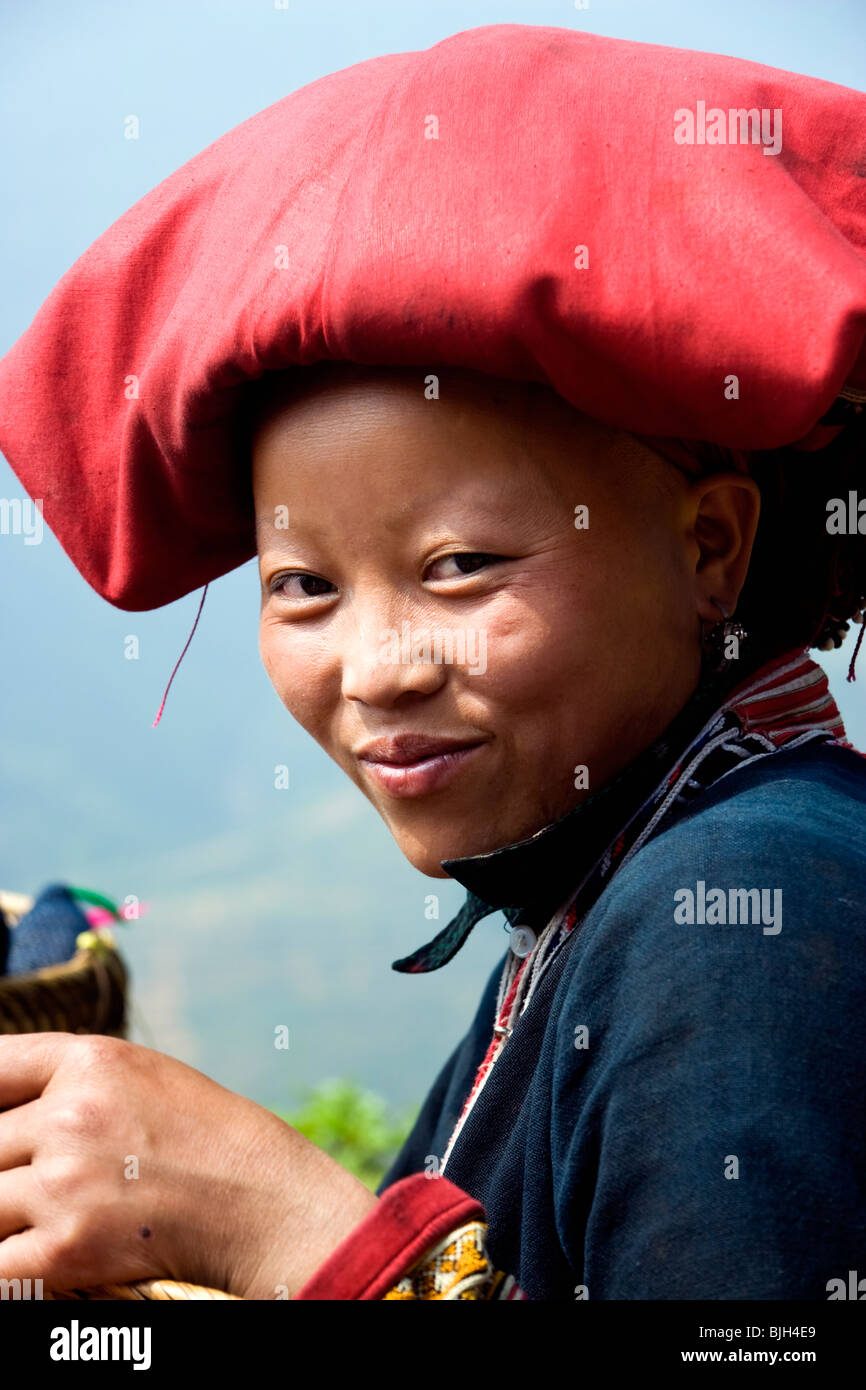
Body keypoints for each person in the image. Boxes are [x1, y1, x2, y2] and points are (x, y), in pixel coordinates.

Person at [0, 23, 864, 1301]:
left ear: (710, 548)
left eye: (459, 566)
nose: (378, 667)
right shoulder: (593, 881)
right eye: (303, 586)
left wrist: (294, 1230)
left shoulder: (736, 915)